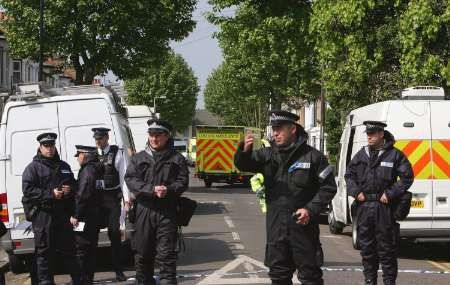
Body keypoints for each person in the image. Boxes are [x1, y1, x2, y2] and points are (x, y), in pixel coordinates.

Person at [234, 110, 337, 285]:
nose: (275, 132)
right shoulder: (267, 155)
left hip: (303, 229)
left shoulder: (313, 157)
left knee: (310, 277)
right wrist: (244, 151)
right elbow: (244, 164)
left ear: (292, 129)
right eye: (274, 128)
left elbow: (328, 187)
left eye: (279, 128)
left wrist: (310, 210)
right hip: (276, 228)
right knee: (279, 277)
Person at [345, 121, 414, 285]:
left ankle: (389, 282)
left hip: (384, 208)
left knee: (387, 250)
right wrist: (356, 192)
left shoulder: (395, 155)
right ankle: (370, 281)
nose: (369, 137)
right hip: (364, 207)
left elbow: (407, 177)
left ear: (381, 134)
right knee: (367, 249)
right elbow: (349, 176)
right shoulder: (361, 155)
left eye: (373, 133)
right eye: (368, 134)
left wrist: (390, 194)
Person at [125, 119, 189, 285]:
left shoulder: (177, 158)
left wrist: (168, 190)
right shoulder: (139, 158)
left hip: (166, 211)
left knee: (166, 255)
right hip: (144, 210)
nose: (154, 139)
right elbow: (131, 179)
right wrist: (150, 190)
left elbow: (183, 182)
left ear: (167, 136)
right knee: (142, 254)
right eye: (151, 135)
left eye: (158, 135)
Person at [22, 132, 77, 285]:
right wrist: (50, 194)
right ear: (40, 147)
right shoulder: (33, 168)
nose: (49, 149)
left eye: (51, 145)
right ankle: (46, 282)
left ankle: (78, 279)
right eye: (46, 146)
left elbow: (74, 185)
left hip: (62, 214)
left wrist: (69, 190)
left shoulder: (64, 166)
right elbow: (28, 191)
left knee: (69, 250)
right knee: (44, 253)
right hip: (43, 216)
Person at [91, 127, 130, 281]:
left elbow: (124, 178)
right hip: (96, 200)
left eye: (100, 138)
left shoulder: (117, 153)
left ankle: (118, 271)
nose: (98, 141)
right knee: (91, 236)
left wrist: (127, 200)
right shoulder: (92, 155)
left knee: (114, 234)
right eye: (96, 139)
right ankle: (90, 272)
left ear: (107, 138)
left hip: (112, 198)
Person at [71, 145, 104, 285]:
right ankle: (88, 279)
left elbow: (82, 195)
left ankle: (82, 280)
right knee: (90, 249)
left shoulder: (88, 171)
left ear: (84, 155)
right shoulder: (97, 168)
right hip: (94, 216)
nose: (77, 158)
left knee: (81, 250)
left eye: (78, 155)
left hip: (84, 217)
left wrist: (76, 215)